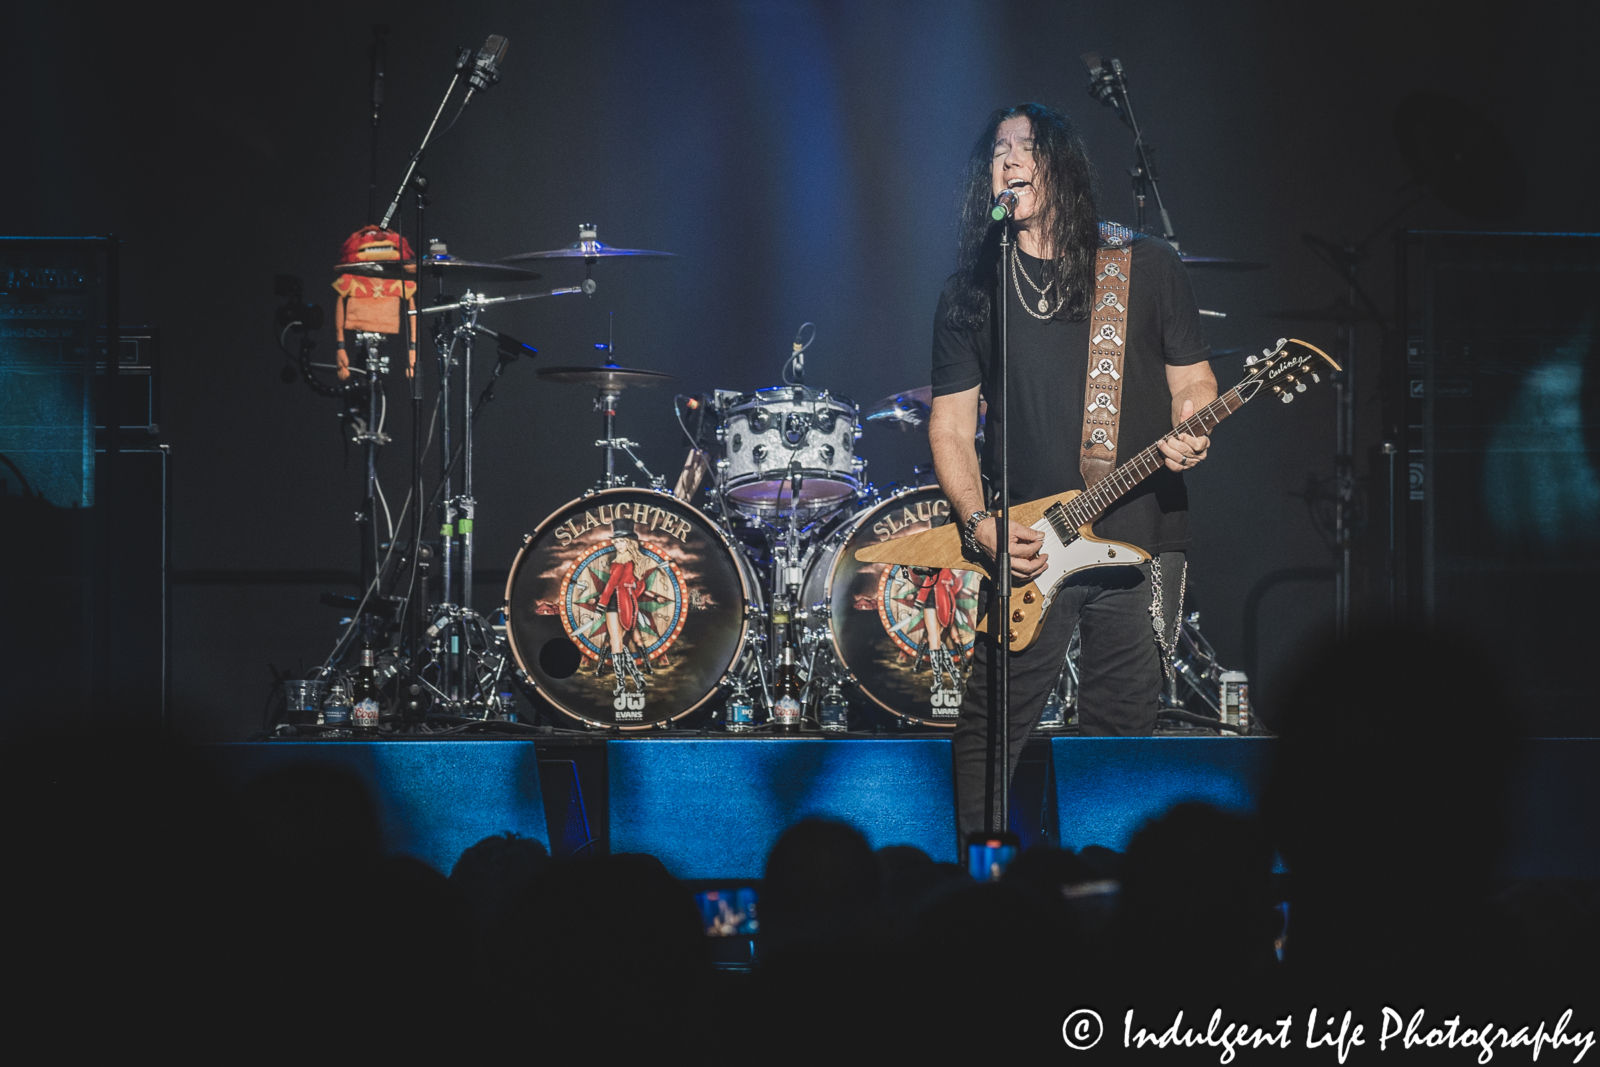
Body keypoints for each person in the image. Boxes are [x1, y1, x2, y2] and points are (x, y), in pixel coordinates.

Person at [928, 102, 1216, 839]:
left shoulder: (1144, 265)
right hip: (1029, 543)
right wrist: (977, 522)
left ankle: (1103, 905)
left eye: (1027, 146)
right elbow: (953, 428)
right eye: (998, 148)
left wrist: (1192, 427)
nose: (1010, 157)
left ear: (1065, 166)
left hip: (1143, 532)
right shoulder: (973, 291)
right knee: (987, 731)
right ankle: (983, 888)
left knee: (1118, 741)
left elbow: (1195, 382)